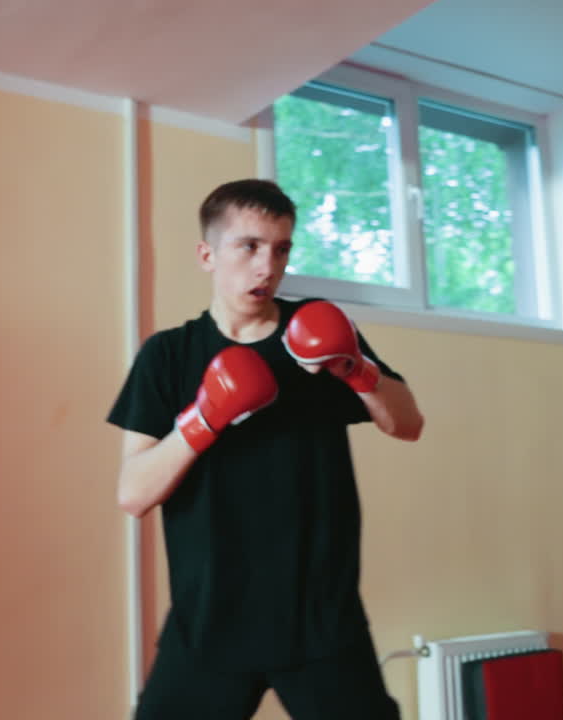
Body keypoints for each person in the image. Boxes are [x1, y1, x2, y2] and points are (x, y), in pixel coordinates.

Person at [108, 178, 424, 719]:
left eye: (280, 249)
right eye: (249, 246)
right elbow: (133, 494)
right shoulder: (168, 355)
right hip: (209, 620)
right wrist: (204, 418)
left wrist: (356, 368)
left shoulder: (317, 333)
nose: (267, 266)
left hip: (320, 618)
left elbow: (408, 424)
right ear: (207, 255)